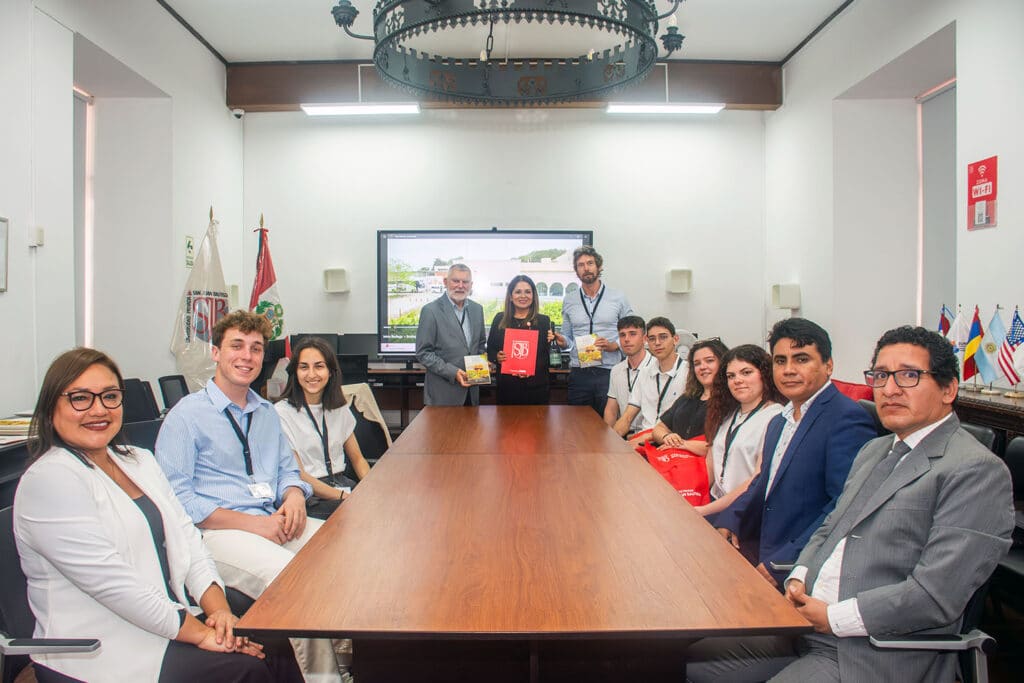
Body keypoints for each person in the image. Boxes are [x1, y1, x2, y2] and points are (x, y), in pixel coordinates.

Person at [687, 326, 1015, 683]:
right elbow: (832, 526)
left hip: (870, 650)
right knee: (672, 659)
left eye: (908, 375)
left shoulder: (976, 470)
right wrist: (798, 577)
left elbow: (935, 596)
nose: (889, 389)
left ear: (949, 389)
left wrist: (832, 618)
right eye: (880, 375)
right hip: (804, 625)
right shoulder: (876, 451)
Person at [14, 348, 301, 683]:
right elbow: (116, 587)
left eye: (110, 396)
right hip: (102, 647)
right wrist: (204, 635)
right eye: (80, 398)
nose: (98, 409)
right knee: (245, 669)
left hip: (164, 620)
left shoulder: (138, 460)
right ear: (51, 408)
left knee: (276, 642)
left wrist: (219, 609)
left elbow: (187, 538)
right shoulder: (49, 480)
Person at [156, 310, 342, 682]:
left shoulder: (266, 413)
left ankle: (352, 658)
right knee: (295, 583)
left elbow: (287, 473)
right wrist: (256, 525)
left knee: (342, 552)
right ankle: (325, 678)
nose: (247, 356)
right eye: (236, 346)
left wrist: (292, 497)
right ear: (216, 353)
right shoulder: (186, 416)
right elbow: (178, 501)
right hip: (217, 534)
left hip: (272, 518)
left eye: (256, 348)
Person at [713, 318, 876, 588]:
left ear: (828, 365)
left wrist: (784, 562)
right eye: (780, 361)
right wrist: (730, 520)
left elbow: (844, 507)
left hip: (796, 567)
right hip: (760, 546)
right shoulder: (779, 421)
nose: (788, 370)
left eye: (801, 359)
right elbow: (762, 482)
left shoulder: (846, 419)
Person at [275, 336, 371, 520]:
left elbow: (358, 459)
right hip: (311, 493)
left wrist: (370, 489)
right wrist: (346, 497)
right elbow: (300, 475)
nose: (311, 374)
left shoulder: (339, 407)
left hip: (341, 483)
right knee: (363, 517)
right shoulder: (282, 413)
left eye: (319, 366)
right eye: (304, 367)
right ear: (295, 372)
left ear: (330, 371)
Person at [695, 344, 784, 517]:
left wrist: (704, 510)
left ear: (764, 375)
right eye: (731, 376)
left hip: (742, 511)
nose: (737, 380)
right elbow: (710, 466)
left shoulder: (776, 416)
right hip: (713, 503)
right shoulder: (727, 414)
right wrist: (691, 495)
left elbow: (757, 480)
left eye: (746, 372)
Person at [558, 246, 633, 415]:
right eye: (581, 265)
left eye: (590, 263)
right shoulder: (569, 300)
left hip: (609, 372)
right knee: (577, 425)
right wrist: (562, 342)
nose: (586, 268)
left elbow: (633, 330)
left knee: (607, 426)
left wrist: (616, 345)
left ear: (599, 266)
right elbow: (568, 338)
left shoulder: (618, 297)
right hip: (579, 372)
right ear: (576, 270)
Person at [415, 263, 487, 406]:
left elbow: (479, 346)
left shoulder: (477, 309)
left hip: (471, 393)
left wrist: (483, 365)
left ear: (471, 285)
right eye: (455, 281)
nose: (460, 286)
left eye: (465, 282)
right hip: (443, 395)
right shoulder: (430, 311)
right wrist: (453, 372)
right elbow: (423, 353)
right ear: (445, 282)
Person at [486, 275, 564, 405]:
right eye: (518, 292)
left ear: (533, 296)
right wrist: (497, 357)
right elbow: (491, 349)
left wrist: (529, 370)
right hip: (507, 388)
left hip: (536, 388)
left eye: (528, 292)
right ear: (510, 297)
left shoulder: (544, 321)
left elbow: (545, 356)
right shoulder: (499, 319)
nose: (523, 296)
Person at [613, 317, 693, 440]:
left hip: (670, 442)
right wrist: (612, 441)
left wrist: (644, 439)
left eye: (663, 337)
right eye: (652, 339)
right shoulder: (645, 373)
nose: (657, 343)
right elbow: (627, 417)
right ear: (646, 341)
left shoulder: (689, 373)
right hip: (643, 440)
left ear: (675, 339)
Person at [644, 337, 729, 450]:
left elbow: (723, 446)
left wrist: (682, 445)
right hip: (674, 461)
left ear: (723, 363)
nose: (703, 367)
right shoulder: (687, 398)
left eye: (709, 361)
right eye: (697, 363)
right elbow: (659, 428)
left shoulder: (731, 402)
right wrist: (667, 437)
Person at [603, 315, 651, 432]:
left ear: (644, 338)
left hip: (648, 435)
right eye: (622, 335)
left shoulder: (656, 368)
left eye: (633, 334)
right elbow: (611, 410)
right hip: (621, 433)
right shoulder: (616, 370)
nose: (627, 339)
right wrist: (607, 438)